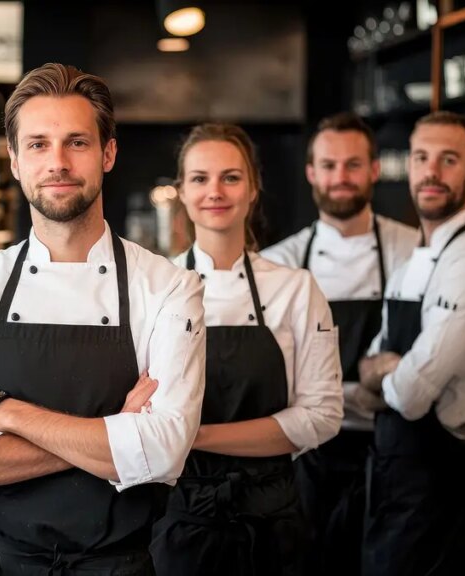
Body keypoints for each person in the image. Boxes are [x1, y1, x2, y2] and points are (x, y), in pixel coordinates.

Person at [0, 63, 206, 575]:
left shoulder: (169, 287)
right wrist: (114, 432)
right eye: (38, 144)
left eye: (77, 142)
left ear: (108, 153)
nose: (58, 162)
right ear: (15, 160)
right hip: (2, 563)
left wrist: (6, 413)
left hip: (120, 564)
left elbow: (163, 451)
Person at [150, 123, 343, 576]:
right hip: (180, 518)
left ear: (253, 189)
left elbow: (322, 415)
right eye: (199, 178)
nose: (214, 191)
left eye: (230, 177)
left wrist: (196, 437)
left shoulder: (295, 288)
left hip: (271, 522)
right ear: (181, 190)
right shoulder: (155, 287)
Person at [358, 111, 465, 576]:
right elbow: (372, 366)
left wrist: (386, 372)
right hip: (390, 476)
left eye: (448, 160)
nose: (431, 172)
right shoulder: (415, 261)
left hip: (435, 482)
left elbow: (408, 397)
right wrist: (391, 367)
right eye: (421, 158)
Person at [261, 112, 418, 575]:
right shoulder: (281, 263)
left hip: (387, 446)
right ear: (311, 173)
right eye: (329, 166)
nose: (341, 178)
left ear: (374, 170)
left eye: (353, 165)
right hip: (307, 453)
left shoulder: (412, 251)